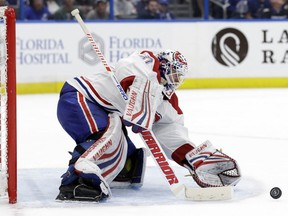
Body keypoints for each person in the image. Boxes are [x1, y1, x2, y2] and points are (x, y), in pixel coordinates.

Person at [56, 49, 241, 202]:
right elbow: (129, 73)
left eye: (179, 79)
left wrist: (193, 158)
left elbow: (170, 132)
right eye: (173, 75)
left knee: (120, 149)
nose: (174, 82)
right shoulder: (146, 62)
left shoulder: (166, 101)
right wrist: (141, 109)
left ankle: (122, 173)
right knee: (109, 134)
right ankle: (75, 182)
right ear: (165, 66)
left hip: (105, 111)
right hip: (80, 97)